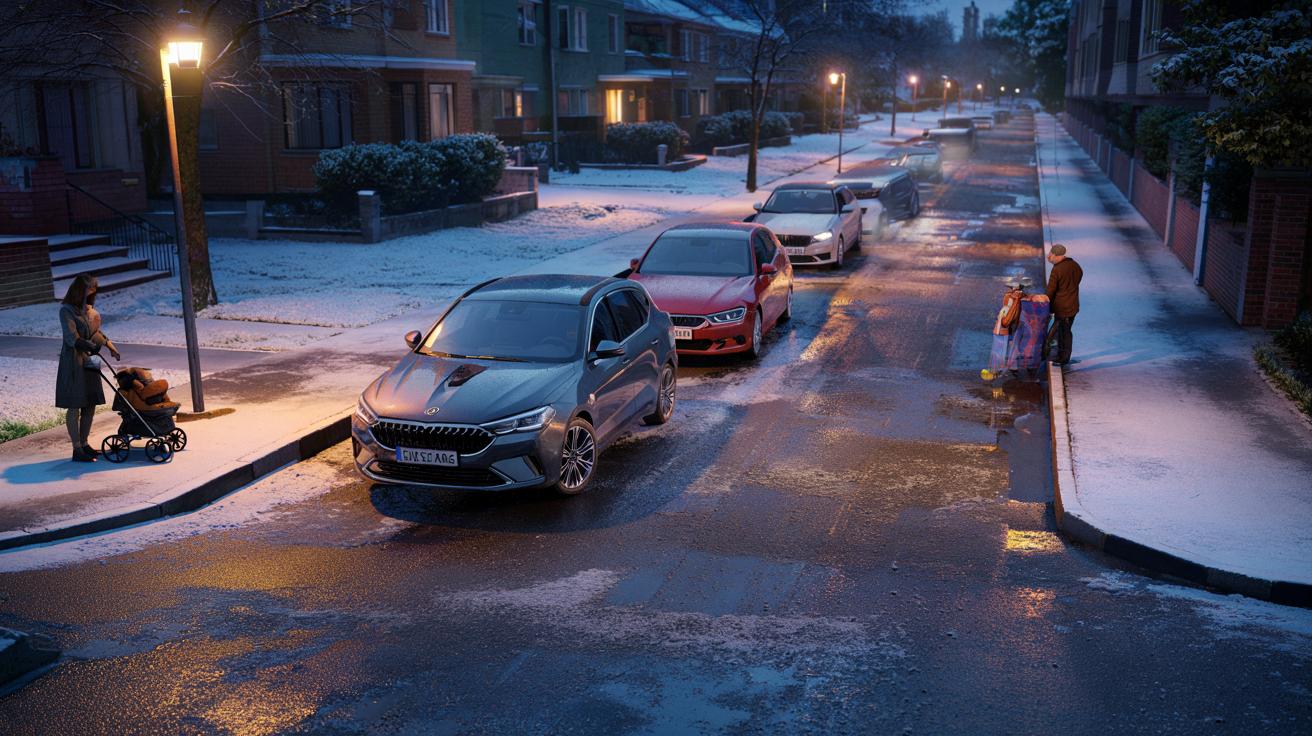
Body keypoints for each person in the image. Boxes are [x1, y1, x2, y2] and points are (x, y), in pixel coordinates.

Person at [56, 274, 120, 462]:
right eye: (88, 289)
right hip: (74, 361)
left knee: (90, 403)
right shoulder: (67, 311)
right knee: (76, 404)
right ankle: (77, 448)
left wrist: (109, 346)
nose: (91, 293)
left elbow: (95, 333)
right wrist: (90, 346)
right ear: (79, 290)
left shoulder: (91, 312)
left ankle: (84, 443)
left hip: (89, 361)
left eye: (93, 289)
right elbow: (71, 337)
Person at [1045, 244, 1083, 366]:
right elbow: (1079, 276)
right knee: (1065, 330)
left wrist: (1045, 302)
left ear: (1057, 255)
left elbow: (1051, 290)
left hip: (1062, 307)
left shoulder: (1057, 269)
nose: (1050, 257)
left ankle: (1063, 358)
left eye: (1052, 255)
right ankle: (1062, 355)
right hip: (1073, 305)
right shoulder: (1075, 265)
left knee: (1064, 332)